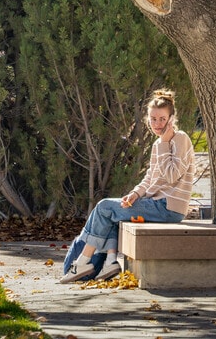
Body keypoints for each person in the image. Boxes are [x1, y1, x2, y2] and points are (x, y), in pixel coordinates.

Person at [60, 89, 195, 283]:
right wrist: (134, 194)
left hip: (168, 207)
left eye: (162, 119)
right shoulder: (159, 144)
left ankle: (84, 261)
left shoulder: (179, 139)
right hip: (156, 203)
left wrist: (165, 143)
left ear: (172, 118)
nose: (157, 124)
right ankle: (109, 263)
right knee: (114, 212)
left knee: (104, 207)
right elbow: (150, 178)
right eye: (153, 119)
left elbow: (172, 176)